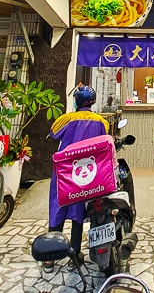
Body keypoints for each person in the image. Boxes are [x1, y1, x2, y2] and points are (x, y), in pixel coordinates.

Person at [45, 84, 109, 270]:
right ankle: (74, 254)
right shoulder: (101, 121)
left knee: (57, 209)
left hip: (64, 172)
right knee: (77, 213)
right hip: (87, 174)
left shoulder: (66, 119)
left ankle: (49, 257)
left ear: (76, 101)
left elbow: (53, 133)